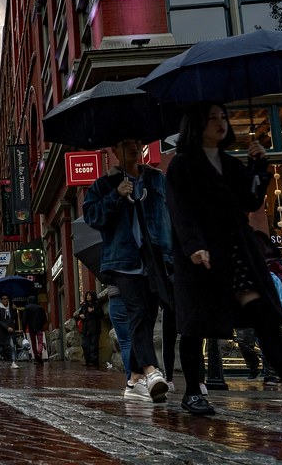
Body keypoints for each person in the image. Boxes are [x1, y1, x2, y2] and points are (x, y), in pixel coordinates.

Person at [166, 101, 282, 417]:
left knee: (264, 317)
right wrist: (193, 246)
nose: (221, 122)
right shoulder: (182, 165)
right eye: (212, 117)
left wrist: (259, 167)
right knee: (195, 325)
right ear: (197, 124)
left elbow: (250, 200)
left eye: (224, 117)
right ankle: (192, 392)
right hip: (201, 256)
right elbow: (180, 210)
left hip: (236, 253)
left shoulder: (230, 165)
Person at [83, 137, 171, 403]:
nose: (133, 147)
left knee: (148, 314)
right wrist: (115, 196)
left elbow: (169, 215)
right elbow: (92, 217)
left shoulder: (156, 179)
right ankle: (152, 371)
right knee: (137, 312)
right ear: (114, 149)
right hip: (123, 259)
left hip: (154, 257)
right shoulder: (104, 184)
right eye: (126, 143)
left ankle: (133, 381)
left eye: (136, 142)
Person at [74, 290, 103, 367]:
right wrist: (80, 316)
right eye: (87, 295)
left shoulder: (96, 305)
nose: (88, 297)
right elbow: (77, 316)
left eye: (90, 295)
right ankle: (87, 360)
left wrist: (93, 311)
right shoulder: (84, 306)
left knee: (94, 345)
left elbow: (101, 315)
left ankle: (94, 361)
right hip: (85, 328)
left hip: (94, 327)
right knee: (85, 345)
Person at [0, 295, 19, 368]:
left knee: (12, 346)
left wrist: (14, 310)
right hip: (2, 332)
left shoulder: (10, 308)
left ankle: (13, 362)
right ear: (1, 300)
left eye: (7, 298)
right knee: (1, 348)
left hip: (10, 331)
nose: (5, 300)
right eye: (4, 299)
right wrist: (6, 327)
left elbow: (14, 318)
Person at [22, 296, 47, 365]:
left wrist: (24, 328)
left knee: (33, 343)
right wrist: (41, 325)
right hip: (39, 328)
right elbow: (45, 319)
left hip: (31, 328)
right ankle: (39, 353)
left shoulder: (27, 308)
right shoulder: (40, 308)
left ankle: (36, 356)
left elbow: (24, 320)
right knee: (40, 342)